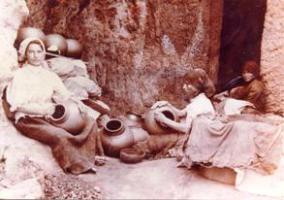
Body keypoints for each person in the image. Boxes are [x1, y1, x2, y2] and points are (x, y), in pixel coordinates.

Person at [2, 37, 105, 174]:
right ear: (25, 54)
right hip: (29, 119)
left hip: (48, 115)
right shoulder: (20, 75)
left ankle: (90, 156)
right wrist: (44, 110)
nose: (35, 55)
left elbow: (64, 95)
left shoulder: (49, 75)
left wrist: (77, 103)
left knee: (90, 121)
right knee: (60, 135)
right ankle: (77, 164)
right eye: (31, 52)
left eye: (39, 51)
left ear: (43, 53)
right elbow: (18, 105)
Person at [152, 68, 282, 174]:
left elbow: (186, 128)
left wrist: (164, 120)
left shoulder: (198, 104)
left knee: (253, 131)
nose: (184, 87)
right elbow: (181, 113)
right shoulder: (198, 99)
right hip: (215, 128)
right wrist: (167, 104)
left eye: (188, 84)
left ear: (196, 88)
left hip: (215, 134)